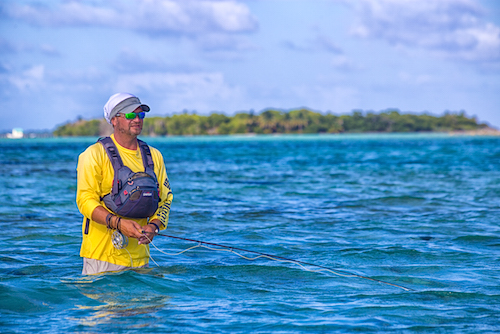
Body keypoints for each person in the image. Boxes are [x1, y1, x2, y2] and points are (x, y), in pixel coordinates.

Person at [76, 93, 173, 275]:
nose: (137, 119)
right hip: (102, 259)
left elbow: (166, 199)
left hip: (141, 261)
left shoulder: (155, 156)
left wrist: (154, 226)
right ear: (114, 120)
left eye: (140, 115)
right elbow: (85, 200)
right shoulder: (93, 155)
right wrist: (119, 224)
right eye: (130, 115)